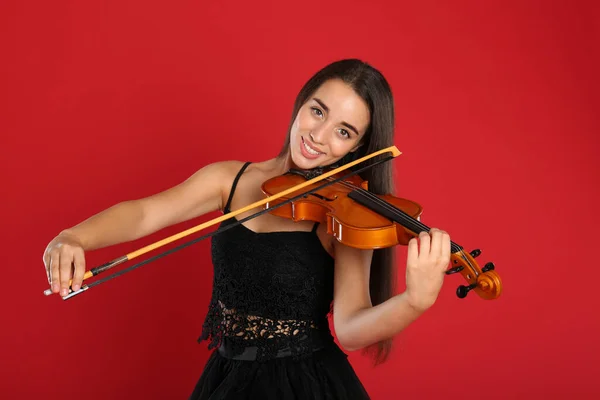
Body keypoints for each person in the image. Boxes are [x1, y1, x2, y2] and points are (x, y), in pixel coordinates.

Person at [43, 59, 451, 399]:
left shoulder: (345, 215)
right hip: (228, 375)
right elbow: (145, 214)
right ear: (300, 103)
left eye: (343, 132)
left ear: (358, 149)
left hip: (304, 385)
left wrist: (414, 301)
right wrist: (74, 237)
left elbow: (350, 329)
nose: (318, 136)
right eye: (318, 110)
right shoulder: (229, 180)